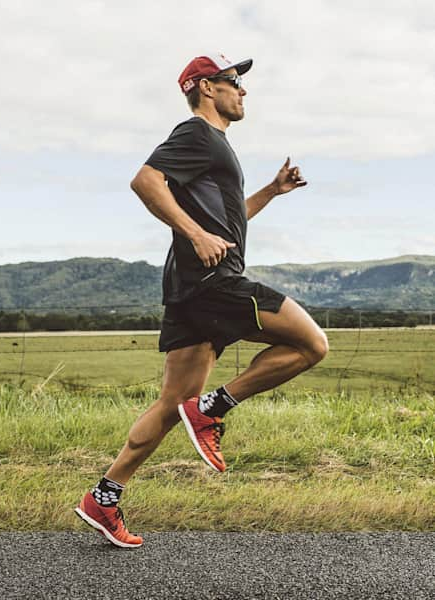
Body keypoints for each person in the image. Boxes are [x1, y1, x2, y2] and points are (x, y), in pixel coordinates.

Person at [75, 53, 329, 548]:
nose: (243, 90)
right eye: (235, 81)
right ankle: (213, 407)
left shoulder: (215, 149)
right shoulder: (196, 135)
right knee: (311, 344)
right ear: (206, 88)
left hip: (189, 290)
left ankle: (103, 498)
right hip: (213, 281)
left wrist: (270, 193)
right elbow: (144, 181)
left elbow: (228, 224)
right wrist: (193, 234)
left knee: (172, 404)